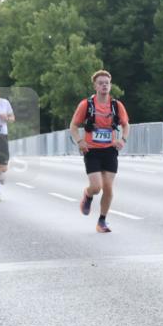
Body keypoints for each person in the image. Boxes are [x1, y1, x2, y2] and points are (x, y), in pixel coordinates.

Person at [69, 70, 130, 233]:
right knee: (96, 187)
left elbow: (126, 125)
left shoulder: (116, 106)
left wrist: (122, 140)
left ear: (110, 86)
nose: (104, 85)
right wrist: (80, 141)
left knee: (108, 188)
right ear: (95, 86)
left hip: (110, 150)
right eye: (101, 83)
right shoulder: (86, 105)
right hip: (92, 150)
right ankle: (88, 195)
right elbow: (73, 126)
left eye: (107, 83)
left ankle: (102, 221)